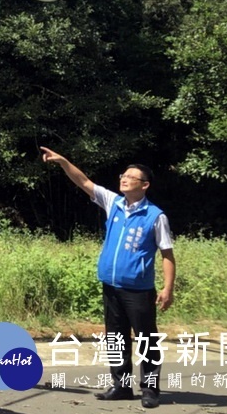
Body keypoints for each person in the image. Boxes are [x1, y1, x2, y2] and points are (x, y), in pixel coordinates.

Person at [40, 147, 175, 409]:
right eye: (123, 175)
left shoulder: (155, 216)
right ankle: (121, 386)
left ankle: (150, 390)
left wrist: (168, 289)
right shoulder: (114, 203)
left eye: (131, 177)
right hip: (111, 286)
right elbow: (85, 182)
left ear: (144, 185)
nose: (123, 178)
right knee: (116, 338)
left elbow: (167, 254)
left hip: (139, 290)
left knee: (146, 339)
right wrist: (64, 162)